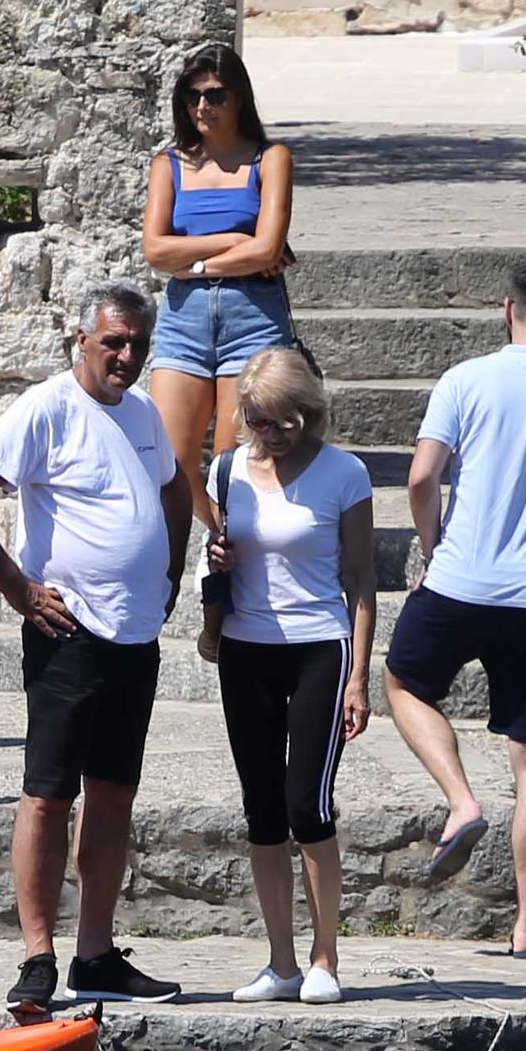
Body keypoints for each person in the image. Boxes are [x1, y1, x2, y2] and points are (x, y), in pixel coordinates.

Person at [0, 286, 194, 1019]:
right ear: (82, 339)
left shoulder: (143, 414)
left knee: (114, 795)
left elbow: (176, 493)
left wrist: (169, 572)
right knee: (49, 796)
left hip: (134, 637)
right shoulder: (47, 408)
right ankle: (38, 955)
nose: (127, 357)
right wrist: (17, 589)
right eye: (114, 342)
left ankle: (97, 953)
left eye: (139, 344)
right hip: (67, 634)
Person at [382, 258, 526, 959]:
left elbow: (423, 476)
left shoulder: (465, 380)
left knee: (402, 684)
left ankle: (460, 799)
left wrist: (434, 547)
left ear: (505, 311)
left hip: (459, 580)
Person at [199, 348, 376, 1004]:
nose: (269, 436)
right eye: (257, 423)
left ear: (308, 413)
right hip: (246, 648)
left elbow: (360, 578)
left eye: (281, 423)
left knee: (309, 804)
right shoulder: (227, 471)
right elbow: (220, 558)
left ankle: (326, 955)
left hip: (318, 648)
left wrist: (359, 674)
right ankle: (281, 961)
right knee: (262, 812)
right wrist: (217, 555)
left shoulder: (344, 474)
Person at [137, 42, 298, 530]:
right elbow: (155, 250)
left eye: (214, 94)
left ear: (240, 98)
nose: (201, 107)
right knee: (171, 456)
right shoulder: (169, 164)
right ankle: (218, 536)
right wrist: (233, 239)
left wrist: (200, 264)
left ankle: (228, 551)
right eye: (191, 96)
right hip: (183, 322)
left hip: (251, 318)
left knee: (234, 459)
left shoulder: (270, 159)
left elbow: (268, 249)